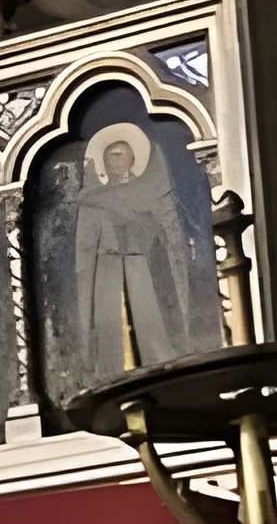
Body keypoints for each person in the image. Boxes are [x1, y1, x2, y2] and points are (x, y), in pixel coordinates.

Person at [74, 126, 192, 382]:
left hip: (139, 264)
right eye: (111, 155)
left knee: (149, 318)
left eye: (121, 154)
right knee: (109, 321)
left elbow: (161, 232)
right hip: (107, 266)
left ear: (133, 159)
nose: (116, 160)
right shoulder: (92, 196)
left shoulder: (148, 191)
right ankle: (110, 374)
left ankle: (158, 369)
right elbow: (85, 241)